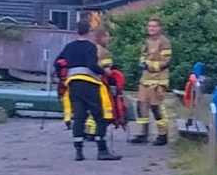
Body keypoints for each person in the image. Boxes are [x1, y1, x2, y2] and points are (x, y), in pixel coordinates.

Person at [55, 19, 120, 161]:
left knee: (79, 117)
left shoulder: (69, 47)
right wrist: (104, 72)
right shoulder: (91, 47)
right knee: (100, 117)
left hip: (73, 85)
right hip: (90, 85)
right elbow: (92, 65)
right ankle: (102, 150)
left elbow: (58, 63)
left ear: (76, 31)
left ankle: (79, 151)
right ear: (89, 31)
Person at [131, 18, 172, 146]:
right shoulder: (147, 41)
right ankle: (142, 134)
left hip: (158, 80)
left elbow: (166, 62)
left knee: (156, 107)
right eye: (149, 26)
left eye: (154, 26)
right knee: (141, 106)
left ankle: (163, 135)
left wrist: (148, 65)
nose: (151, 29)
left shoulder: (164, 42)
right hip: (145, 79)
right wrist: (142, 62)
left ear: (160, 28)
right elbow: (143, 55)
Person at [83, 27, 115, 141]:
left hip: (84, 82)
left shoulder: (88, 48)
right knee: (98, 108)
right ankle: (92, 132)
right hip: (98, 82)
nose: (109, 39)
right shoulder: (104, 52)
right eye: (107, 37)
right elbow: (107, 70)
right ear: (102, 37)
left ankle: (85, 130)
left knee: (86, 108)